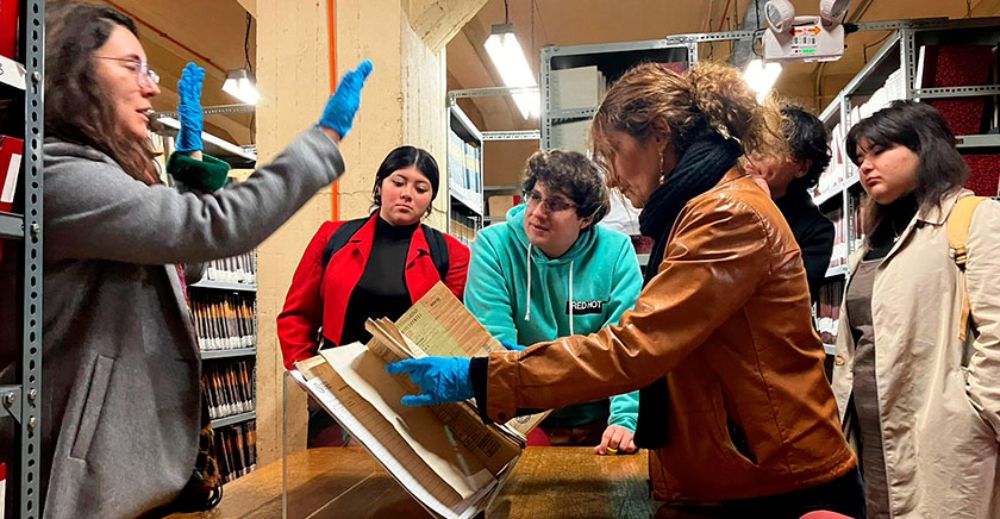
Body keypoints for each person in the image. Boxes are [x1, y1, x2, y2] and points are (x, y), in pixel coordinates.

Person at [386, 62, 864, 518]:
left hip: (781, 484)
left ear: (658, 134)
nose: (611, 176)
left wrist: (484, 377)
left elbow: (635, 349)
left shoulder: (726, 215)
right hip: (750, 471)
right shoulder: (701, 208)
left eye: (613, 153)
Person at [0, 2, 370, 517]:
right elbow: (207, 229)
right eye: (132, 67)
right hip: (90, 474)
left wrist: (186, 167)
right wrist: (320, 143)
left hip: (137, 465)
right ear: (78, 74)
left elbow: (184, 267)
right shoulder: (59, 174)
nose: (151, 86)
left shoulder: (108, 174)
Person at [830, 100, 1000, 518]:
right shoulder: (870, 245)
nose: (866, 166)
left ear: (925, 148)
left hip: (940, 435)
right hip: (870, 437)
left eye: (880, 150)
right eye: (859, 157)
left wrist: (972, 414)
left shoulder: (976, 219)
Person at [277, 146, 470, 444]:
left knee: (407, 486)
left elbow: (454, 331)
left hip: (411, 394)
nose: (407, 194)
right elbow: (297, 314)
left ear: (430, 200)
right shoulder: (332, 238)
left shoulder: (451, 254)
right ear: (380, 185)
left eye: (421, 188)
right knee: (333, 480)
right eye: (398, 181)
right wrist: (305, 371)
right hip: (336, 388)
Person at [464, 150, 642, 455]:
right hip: (522, 420)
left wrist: (625, 420)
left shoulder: (615, 252)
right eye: (535, 196)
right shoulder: (493, 246)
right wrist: (517, 427)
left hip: (598, 422)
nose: (537, 212)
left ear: (586, 217)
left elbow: (628, 344)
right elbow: (495, 345)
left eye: (556, 204)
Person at [744, 105, 835, 301]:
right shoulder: (728, 198)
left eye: (769, 148)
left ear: (801, 167)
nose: (754, 155)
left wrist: (764, 211)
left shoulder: (817, 230)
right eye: (753, 145)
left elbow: (793, 296)